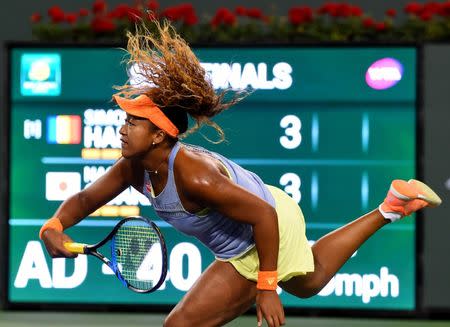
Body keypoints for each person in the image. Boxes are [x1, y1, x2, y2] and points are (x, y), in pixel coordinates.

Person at [39, 22, 442, 327]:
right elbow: (86, 200)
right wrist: (54, 225)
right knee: (308, 281)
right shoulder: (133, 168)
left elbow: (262, 216)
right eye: (125, 120)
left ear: (160, 133)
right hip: (258, 215)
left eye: (134, 123)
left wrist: (266, 285)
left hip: (264, 220)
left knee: (179, 325)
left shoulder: (195, 177)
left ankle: (387, 211)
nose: (123, 129)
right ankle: (391, 207)